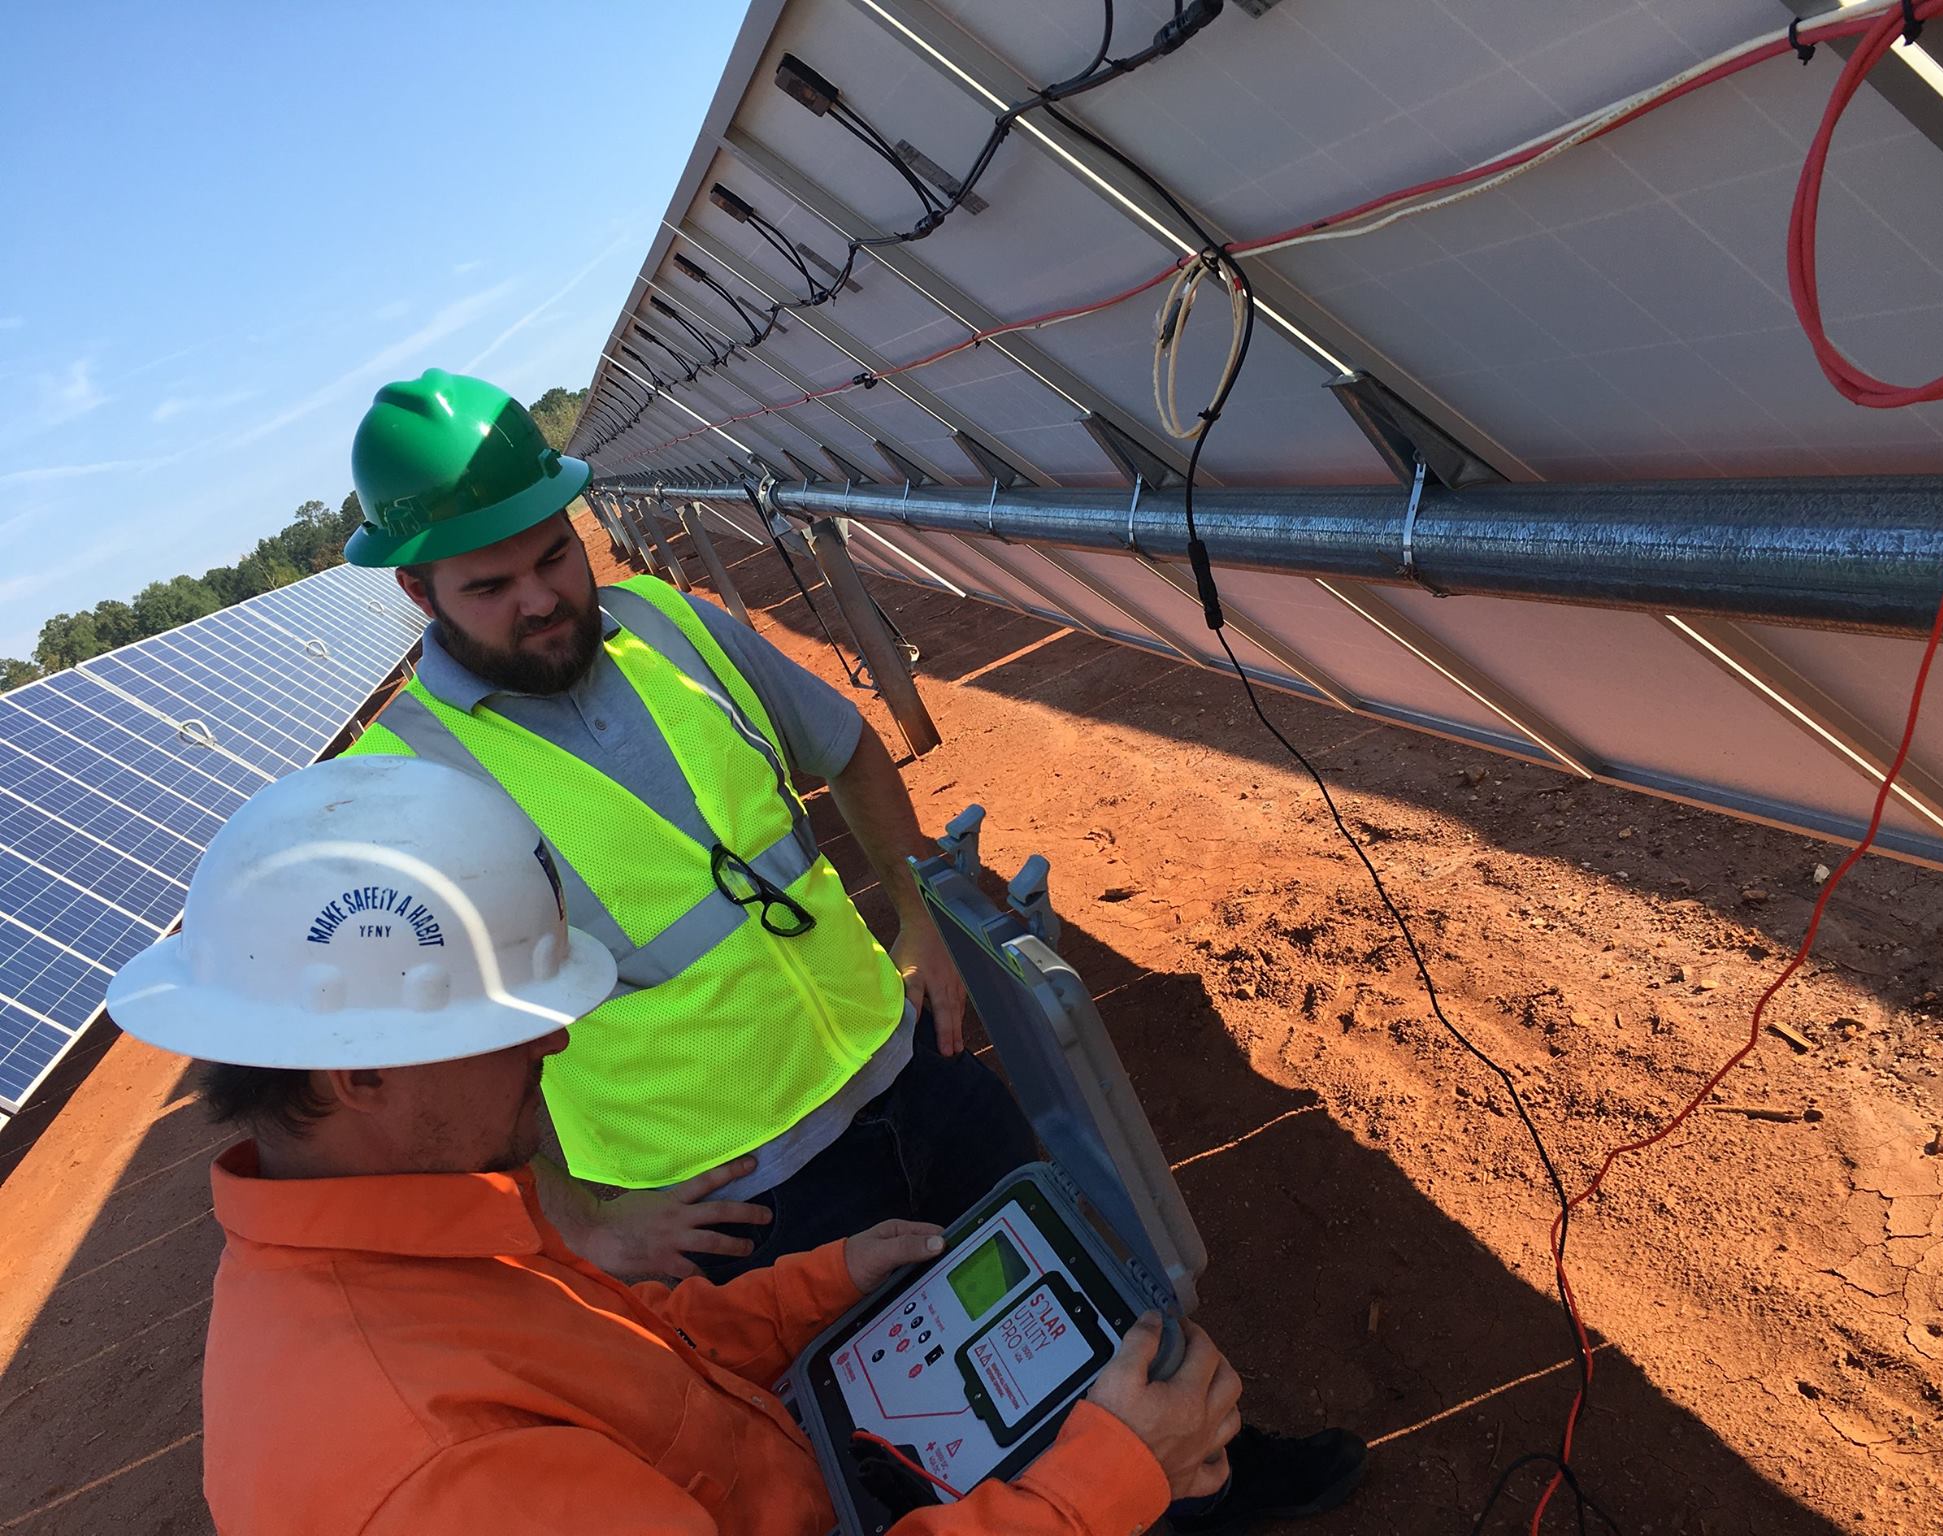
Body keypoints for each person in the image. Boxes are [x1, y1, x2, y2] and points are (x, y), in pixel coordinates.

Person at [338, 371, 1366, 1532]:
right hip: (749, 1199)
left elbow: (848, 750)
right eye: (491, 585)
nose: (542, 599)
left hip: (906, 1066)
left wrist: (920, 921)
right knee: (933, 1432)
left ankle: (1211, 1484)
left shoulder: (668, 628)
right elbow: (436, 1070)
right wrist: (579, 1223)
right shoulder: (398, 788)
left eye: (553, 555)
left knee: (1081, 1294)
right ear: (417, 587)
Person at [105, 756, 1246, 1536]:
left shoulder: (406, 1243)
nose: (556, 1042)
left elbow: (629, 1363)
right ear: (359, 1076)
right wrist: (1102, 1479)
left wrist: (815, 1287)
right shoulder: (430, 1470)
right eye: (511, 1024)